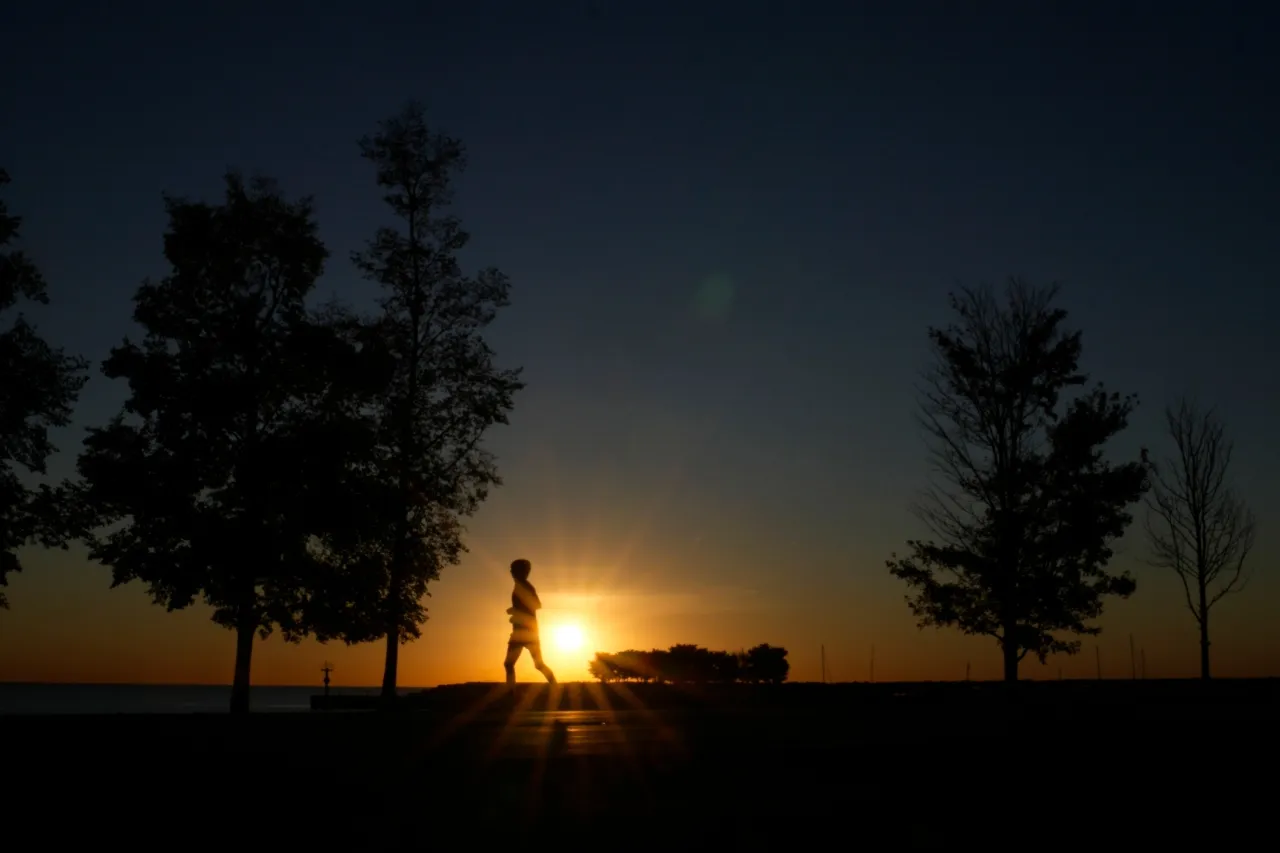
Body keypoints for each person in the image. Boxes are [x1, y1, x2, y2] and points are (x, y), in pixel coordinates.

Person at [504, 558, 556, 685]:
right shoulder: (520, 585)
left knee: (535, 665)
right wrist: (515, 611)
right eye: (511, 569)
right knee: (511, 664)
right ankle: (555, 686)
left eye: (513, 570)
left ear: (520, 571)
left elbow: (536, 605)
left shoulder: (524, 585)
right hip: (522, 631)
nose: (511, 572)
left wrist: (515, 611)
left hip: (526, 632)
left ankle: (555, 687)